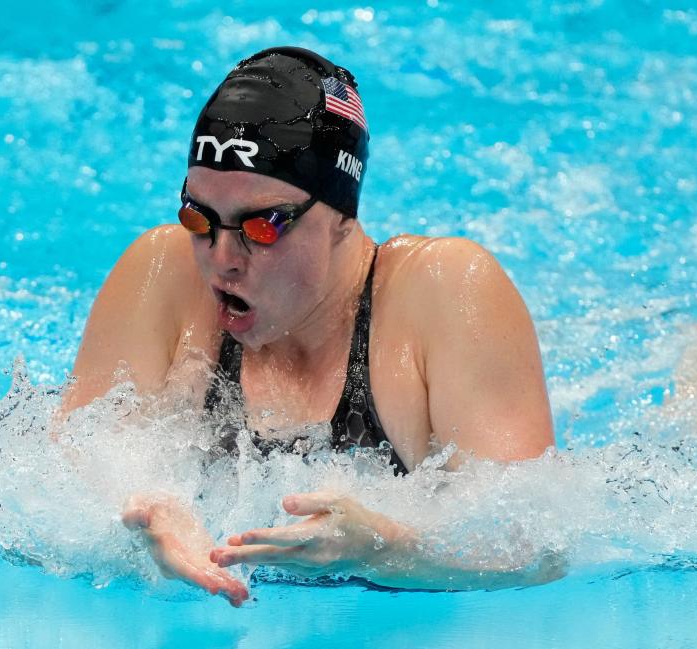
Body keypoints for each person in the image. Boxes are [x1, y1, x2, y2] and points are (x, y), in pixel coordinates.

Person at [61, 46, 555, 606]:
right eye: (199, 218)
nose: (222, 257)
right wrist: (137, 518)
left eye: (263, 226)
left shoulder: (443, 290)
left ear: (343, 216)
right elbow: (42, 492)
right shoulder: (161, 273)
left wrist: (382, 547)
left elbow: (533, 547)